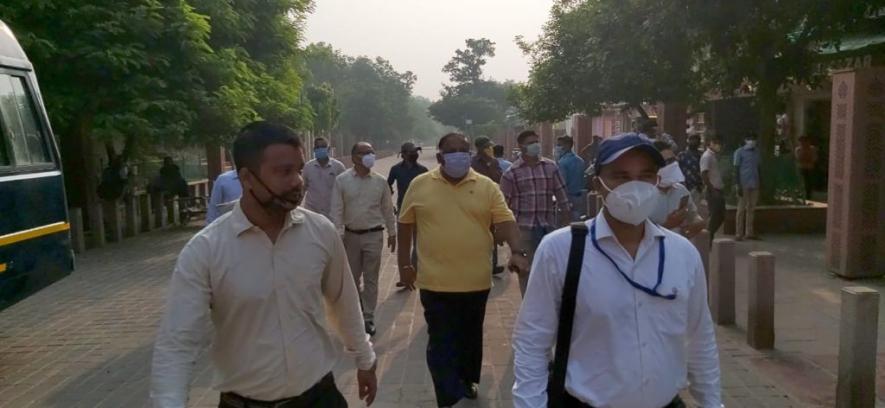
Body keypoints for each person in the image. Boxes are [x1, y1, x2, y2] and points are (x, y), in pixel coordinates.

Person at [151, 122, 377, 408]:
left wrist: (365, 358)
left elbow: (343, 301)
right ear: (247, 177)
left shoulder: (320, 232)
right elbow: (177, 345)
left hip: (319, 397)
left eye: (297, 169)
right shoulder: (205, 250)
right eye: (284, 172)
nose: (297, 181)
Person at [512, 132, 721, 408]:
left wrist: (712, 403)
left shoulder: (682, 254)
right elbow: (532, 341)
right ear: (598, 184)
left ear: (657, 182)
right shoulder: (561, 250)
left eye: (645, 175)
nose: (634, 186)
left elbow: (700, 338)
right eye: (620, 176)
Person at [397, 133, 529, 408]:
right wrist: (405, 265)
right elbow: (405, 225)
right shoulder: (420, 185)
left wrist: (517, 251)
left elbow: (505, 221)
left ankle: (468, 379)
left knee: (470, 337)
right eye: (452, 150)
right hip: (434, 282)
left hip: (476, 281)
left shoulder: (486, 187)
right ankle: (448, 397)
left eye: (463, 150)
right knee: (440, 340)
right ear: (440, 156)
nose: (458, 154)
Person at [330, 142, 397, 336]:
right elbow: (337, 209)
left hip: (374, 235)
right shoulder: (342, 181)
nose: (370, 155)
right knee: (352, 278)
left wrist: (392, 232)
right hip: (351, 236)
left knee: (371, 278)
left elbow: (387, 208)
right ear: (354, 157)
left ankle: (368, 317)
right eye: (365, 153)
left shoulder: (380, 181)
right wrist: (338, 235)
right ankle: (356, 312)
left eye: (371, 152)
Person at [500, 130, 572, 296]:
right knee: (526, 271)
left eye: (536, 141)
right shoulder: (511, 173)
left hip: (547, 227)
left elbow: (562, 195)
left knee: (550, 269)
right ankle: (529, 306)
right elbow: (504, 207)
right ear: (522, 146)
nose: (536, 145)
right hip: (523, 231)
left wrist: (567, 221)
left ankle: (548, 305)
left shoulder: (550, 167)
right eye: (531, 142)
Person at [650, 141, 705, 238]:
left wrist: (697, 223)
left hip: (678, 250)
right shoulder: (643, 196)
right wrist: (668, 225)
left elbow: (694, 216)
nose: (673, 165)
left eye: (674, 160)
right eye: (667, 162)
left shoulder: (681, 190)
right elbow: (636, 235)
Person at [302, 137, 346, 220]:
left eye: (323, 147)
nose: (320, 149)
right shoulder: (308, 167)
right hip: (312, 212)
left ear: (328, 149)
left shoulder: (338, 167)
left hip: (332, 213)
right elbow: (303, 188)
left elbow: (345, 189)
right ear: (314, 149)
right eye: (317, 147)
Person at [733, 132, 762, 240]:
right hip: (743, 183)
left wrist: (761, 183)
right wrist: (737, 184)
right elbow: (736, 169)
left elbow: (758, 168)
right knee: (741, 209)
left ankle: (749, 232)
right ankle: (738, 233)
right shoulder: (739, 152)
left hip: (755, 183)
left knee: (751, 209)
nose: (752, 141)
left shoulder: (757, 152)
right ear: (745, 140)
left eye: (754, 138)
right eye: (750, 138)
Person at [387, 142, 429, 212]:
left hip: (420, 206)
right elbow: (387, 186)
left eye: (415, 151)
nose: (415, 154)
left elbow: (429, 188)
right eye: (412, 152)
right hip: (403, 206)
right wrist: (389, 204)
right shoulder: (395, 169)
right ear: (403, 154)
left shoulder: (423, 169)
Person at [555, 135, 586, 221]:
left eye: (559, 145)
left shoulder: (563, 162)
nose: (557, 148)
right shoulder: (580, 161)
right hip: (579, 196)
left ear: (567, 145)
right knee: (577, 219)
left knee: (565, 222)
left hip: (567, 196)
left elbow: (562, 183)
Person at [701, 134, 726, 241]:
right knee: (715, 215)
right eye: (716, 143)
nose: (718, 146)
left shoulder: (713, 156)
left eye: (719, 144)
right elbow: (704, 174)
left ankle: (708, 236)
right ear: (710, 143)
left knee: (720, 216)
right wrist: (712, 189)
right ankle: (707, 238)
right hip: (713, 190)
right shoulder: (707, 156)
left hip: (718, 189)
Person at [677, 133, 704, 205]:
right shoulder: (681, 155)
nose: (694, 142)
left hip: (697, 187)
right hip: (684, 186)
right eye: (692, 140)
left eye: (696, 141)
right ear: (688, 141)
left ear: (699, 143)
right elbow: (677, 171)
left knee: (694, 211)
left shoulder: (701, 156)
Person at [795, 135, 818, 200]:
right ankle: (801, 194)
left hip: (809, 168)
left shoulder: (812, 149)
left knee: (809, 182)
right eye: (801, 142)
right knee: (801, 182)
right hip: (801, 168)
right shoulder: (798, 149)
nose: (803, 143)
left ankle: (808, 195)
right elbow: (798, 158)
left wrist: (807, 157)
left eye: (804, 141)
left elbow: (814, 158)